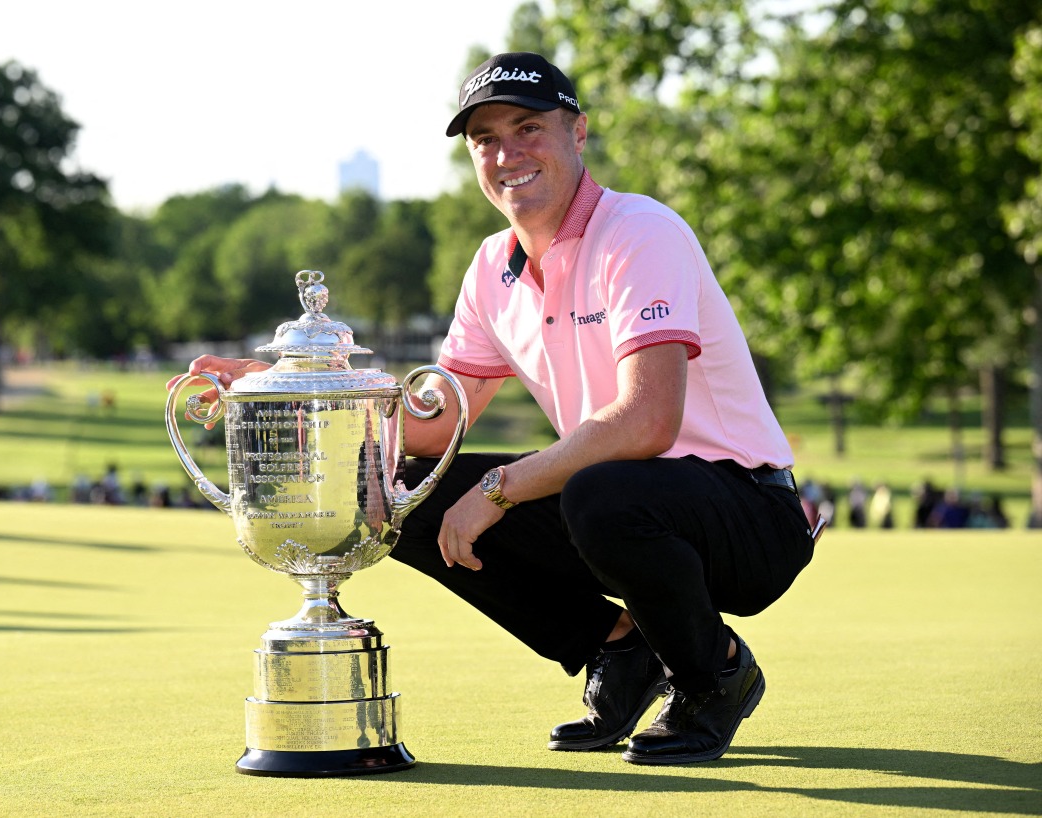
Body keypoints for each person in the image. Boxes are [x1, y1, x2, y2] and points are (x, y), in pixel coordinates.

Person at [170, 52, 817, 766]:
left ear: (578, 132)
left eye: (528, 127)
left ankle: (712, 674)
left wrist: (497, 490)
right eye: (485, 139)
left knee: (604, 493)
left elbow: (646, 422)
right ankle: (620, 650)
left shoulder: (641, 232)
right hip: (624, 510)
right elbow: (438, 422)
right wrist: (285, 388)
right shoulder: (491, 269)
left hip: (749, 514)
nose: (507, 153)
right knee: (402, 488)